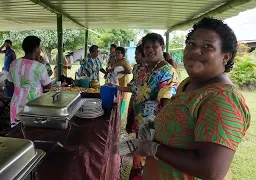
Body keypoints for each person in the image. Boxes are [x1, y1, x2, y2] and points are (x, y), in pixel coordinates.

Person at [134, 18, 250, 180]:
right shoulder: (189, 84)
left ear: (225, 57)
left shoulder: (222, 100)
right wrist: (155, 125)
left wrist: (154, 149)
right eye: (191, 44)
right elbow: (182, 121)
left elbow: (211, 170)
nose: (195, 51)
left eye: (208, 46)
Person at [117, 33, 179, 179]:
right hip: (142, 127)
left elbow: (166, 105)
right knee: (140, 164)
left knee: (146, 166)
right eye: (147, 47)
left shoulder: (167, 72)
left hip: (154, 130)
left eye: (154, 46)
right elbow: (135, 88)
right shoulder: (145, 70)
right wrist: (116, 87)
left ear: (162, 48)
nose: (150, 50)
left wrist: (154, 132)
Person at [7, 36, 52, 127]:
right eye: (39, 48)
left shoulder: (14, 64)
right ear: (36, 49)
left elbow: (10, 85)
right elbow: (48, 86)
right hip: (33, 107)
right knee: (31, 134)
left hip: (16, 105)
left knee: (17, 134)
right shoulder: (39, 67)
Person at [107, 47, 131, 115]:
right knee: (116, 95)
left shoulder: (125, 61)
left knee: (123, 96)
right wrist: (111, 70)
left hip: (123, 81)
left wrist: (120, 72)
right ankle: (115, 111)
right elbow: (113, 69)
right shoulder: (114, 61)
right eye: (116, 53)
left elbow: (129, 71)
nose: (117, 54)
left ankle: (121, 113)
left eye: (119, 53)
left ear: (123, 54)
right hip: (115, 80)